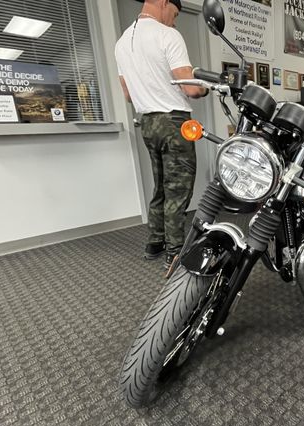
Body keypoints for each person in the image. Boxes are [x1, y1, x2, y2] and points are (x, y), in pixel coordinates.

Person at [115, 0, 208, 268]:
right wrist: (206, 86)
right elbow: (191, 88)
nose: (174, 21)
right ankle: (175, 251)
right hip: (174, 123)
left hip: (148, 123)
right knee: (177, 189)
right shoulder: (168, 35)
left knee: (161, 186)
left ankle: (155, 242)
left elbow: (128, 94)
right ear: (164, 3)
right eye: (175, 14)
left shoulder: (122, 43)